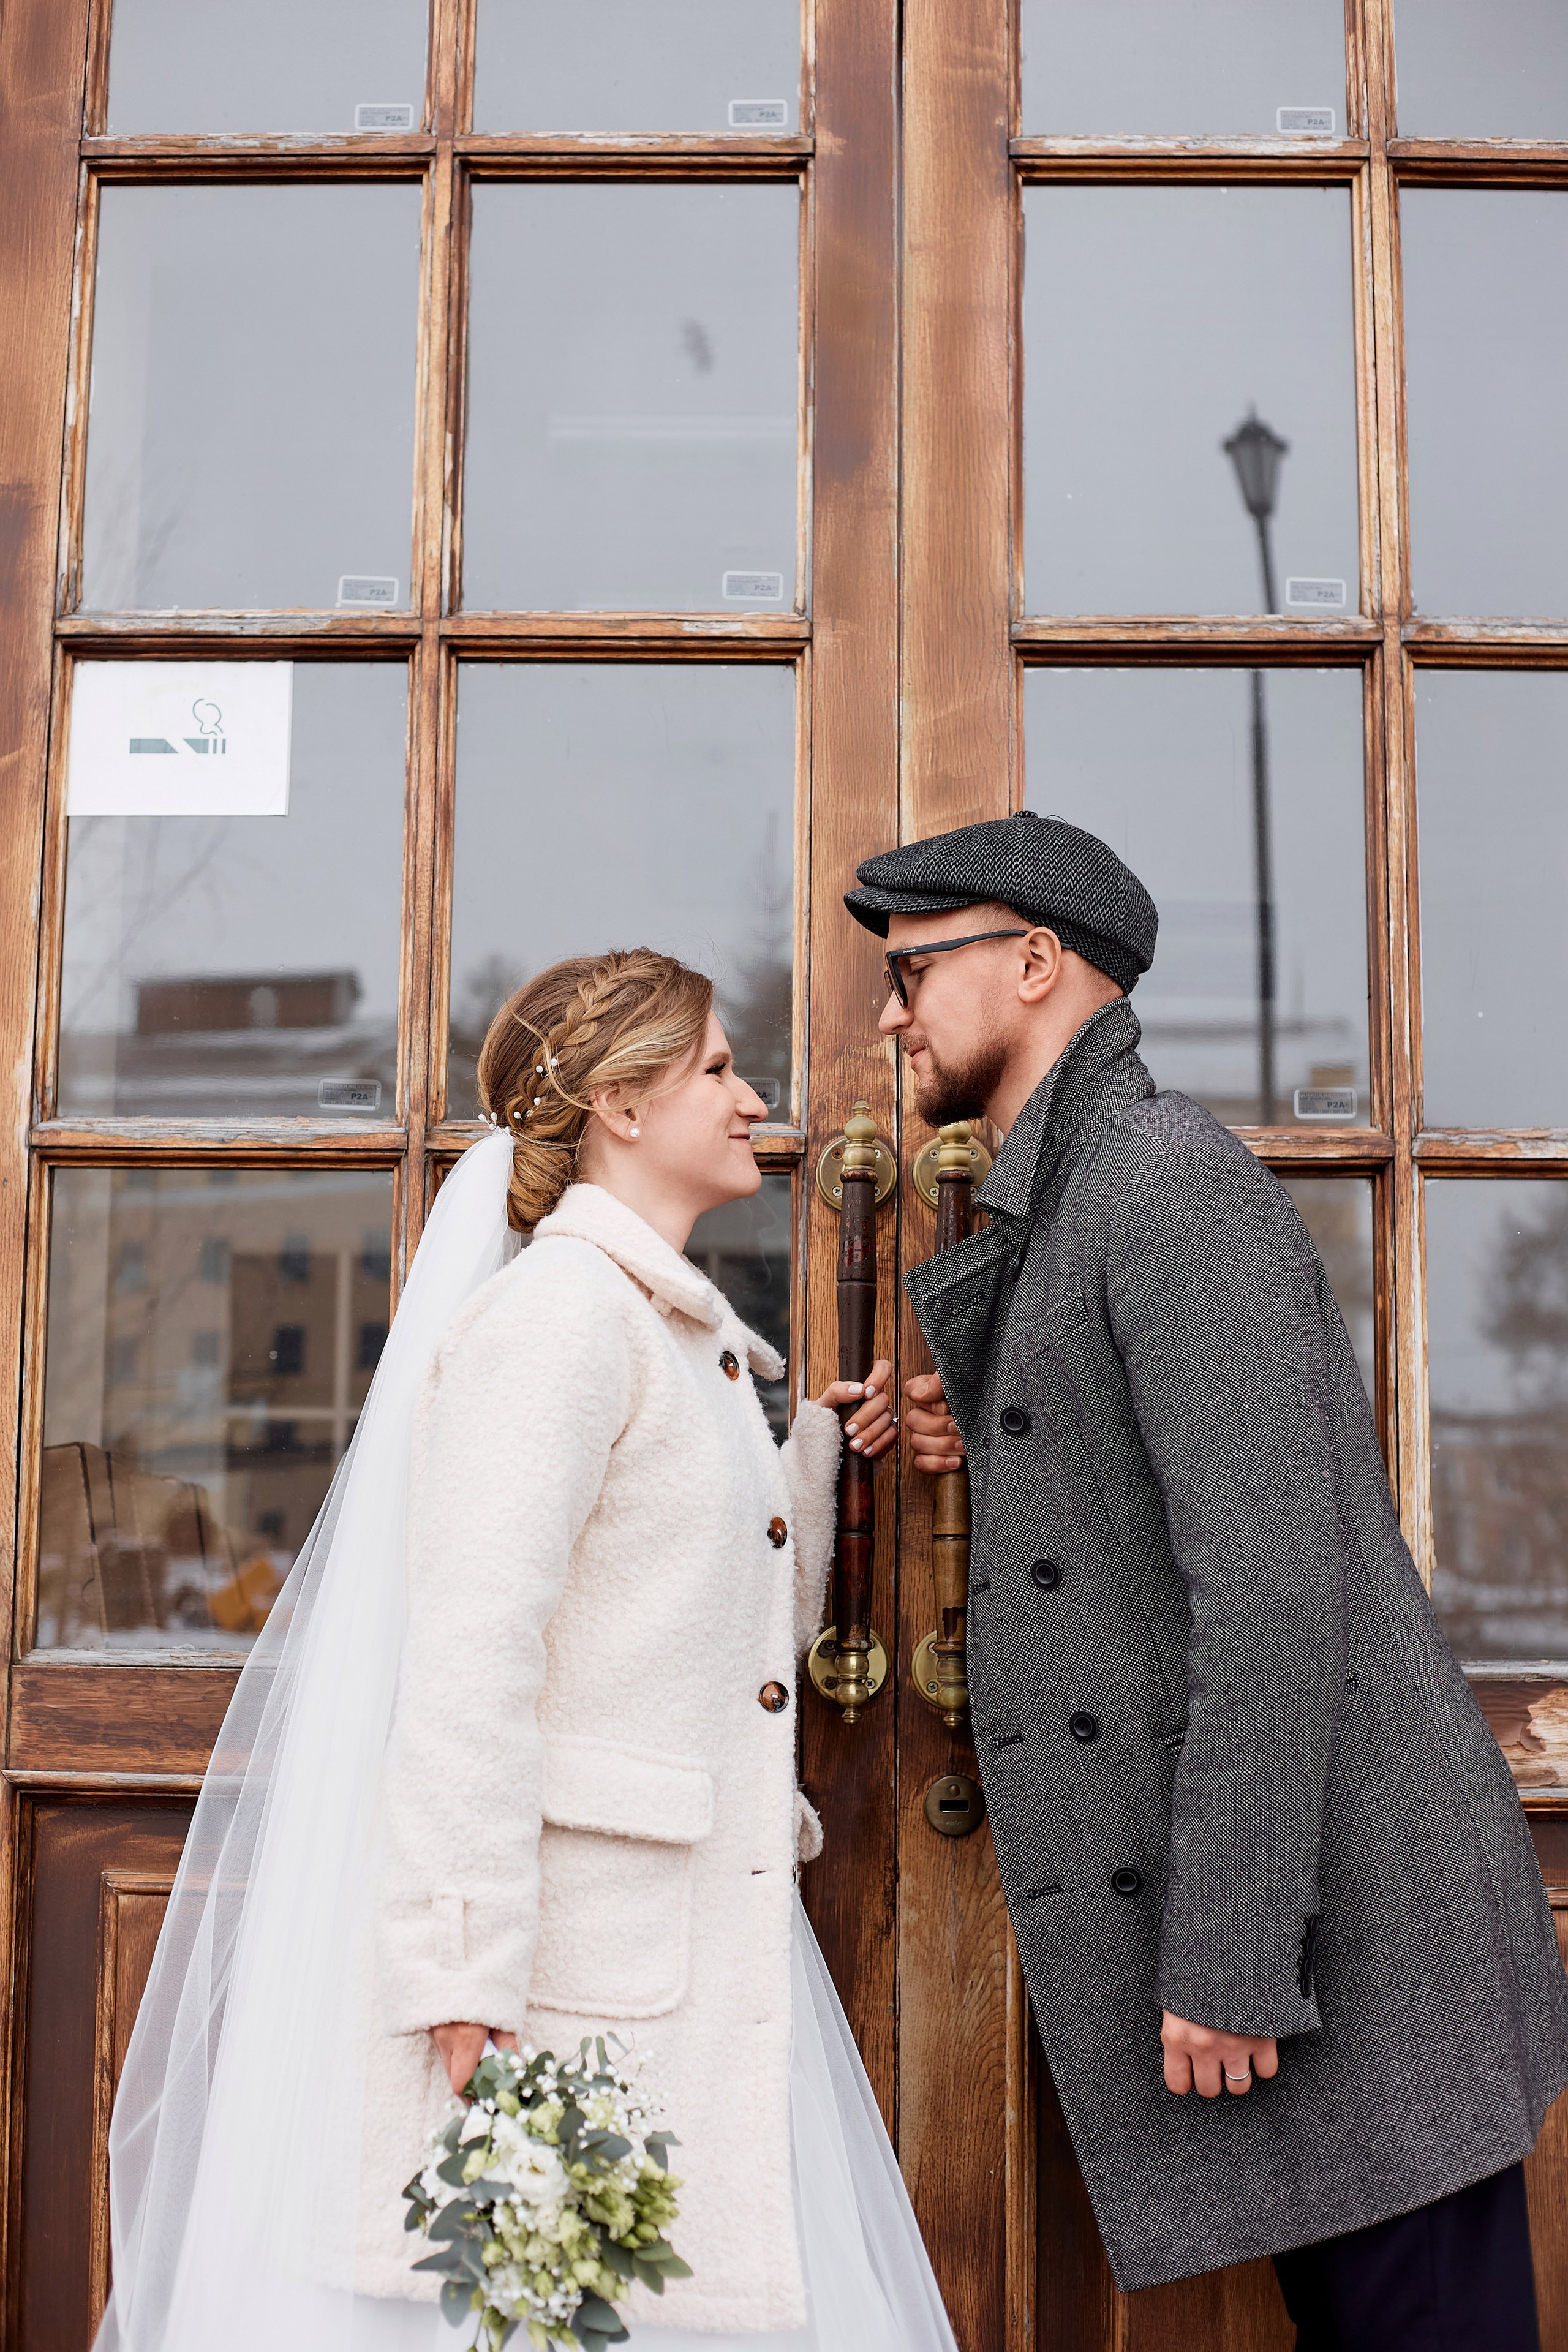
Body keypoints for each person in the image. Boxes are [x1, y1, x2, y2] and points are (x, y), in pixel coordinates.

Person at [97, 948, 957, 2352]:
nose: (754, 1101)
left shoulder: (669, 1334)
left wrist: (814, 1460)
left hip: (670, 1942)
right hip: (565, 1971)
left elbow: (694, 1625)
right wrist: (460, 1969)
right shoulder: (558, 1322)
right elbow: (469, 1659)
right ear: (621, 1105)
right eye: (718, 1070)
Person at [845, 810, 1568, 2351]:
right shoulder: (1088, 1187)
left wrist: (1232, 1958)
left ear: (1033, 963)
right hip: (1323, 1930)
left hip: (1353, 1939)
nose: (889, 1017)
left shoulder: (1161, 1179)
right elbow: (1137, 1478)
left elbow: (1270, 1590)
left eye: (910, 973)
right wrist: (992, 1417)